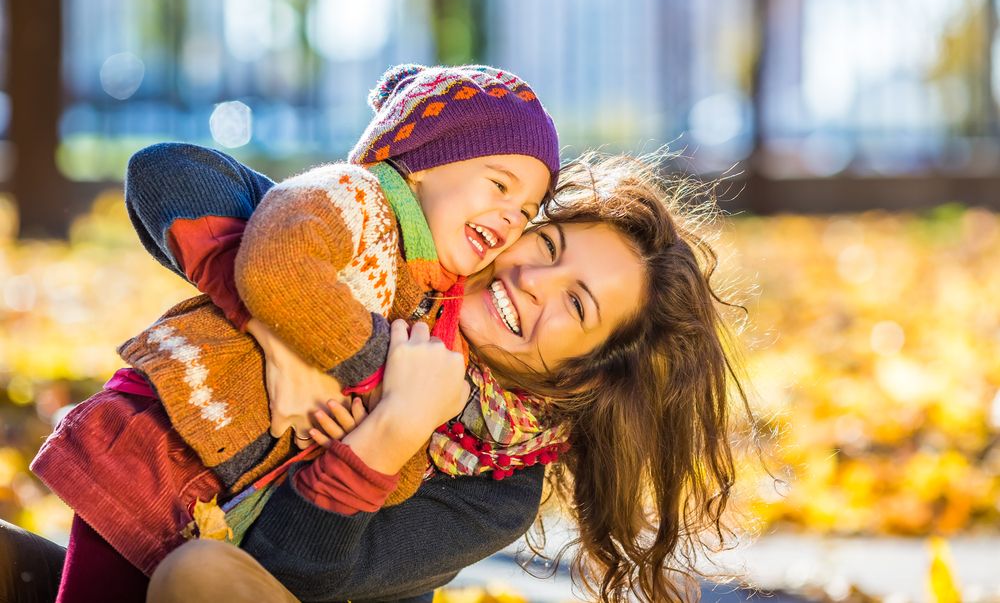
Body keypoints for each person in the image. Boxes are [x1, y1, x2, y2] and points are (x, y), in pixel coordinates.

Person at [30, 64, 562, 600]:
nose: (511, 216)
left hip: (224, 505)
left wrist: (365, 433)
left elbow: (402, 470)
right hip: (161, 445)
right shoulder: (357, 203)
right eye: (498, 184)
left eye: (526, 211)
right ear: (425, 163)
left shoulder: (438, 314)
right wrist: (332, 361)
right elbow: (275, 262)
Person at [129, 145, 751, 602]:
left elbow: (290, 576)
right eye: (549, 247)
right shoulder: (386, 275)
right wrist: (281, 325)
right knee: (30, 565)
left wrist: (393, 429)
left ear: (586, 375)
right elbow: (168, 173)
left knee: (198, 577)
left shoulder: (497, 488)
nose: (531, 282)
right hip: (143, 540)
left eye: (576, 304)